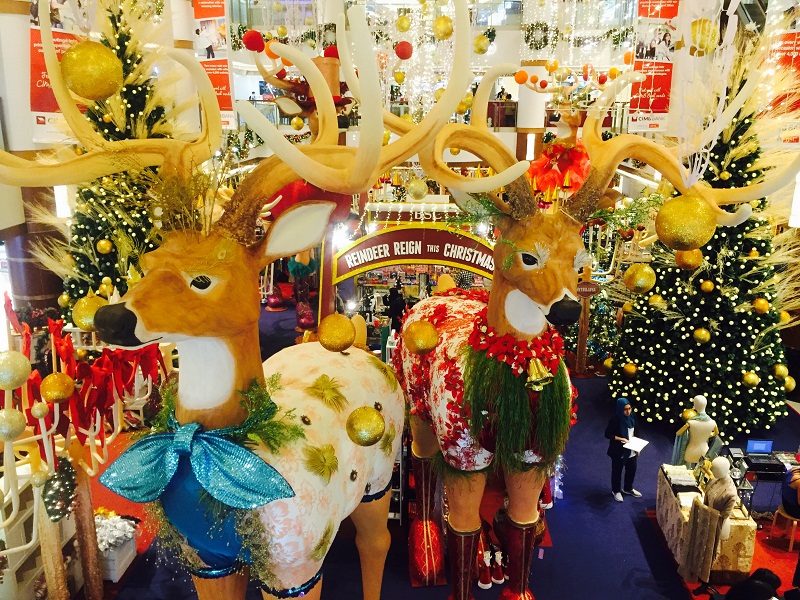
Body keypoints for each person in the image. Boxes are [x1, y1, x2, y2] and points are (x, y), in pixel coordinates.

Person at [605, 397, 641, 502]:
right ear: (620, 409)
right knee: (617, 472)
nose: (628, 411)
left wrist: (638, 448)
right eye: (625, 409)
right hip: (619, 451)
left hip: (631, 449)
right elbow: (607, 434)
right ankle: (616, 491)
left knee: (632, 469)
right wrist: (621, 439)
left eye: (629, 408)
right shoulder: (615, 420)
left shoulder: (633, 417)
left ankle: (627, 488)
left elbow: (636, 432)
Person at [672, 395, 718, 466]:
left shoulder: (690, 422)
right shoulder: (713, 422)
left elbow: (678, 433)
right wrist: (705, 436)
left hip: (691, 451)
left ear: (695, 405)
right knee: (699, 468)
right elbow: (716, 433)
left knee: (686, 467)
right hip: (704, 451)